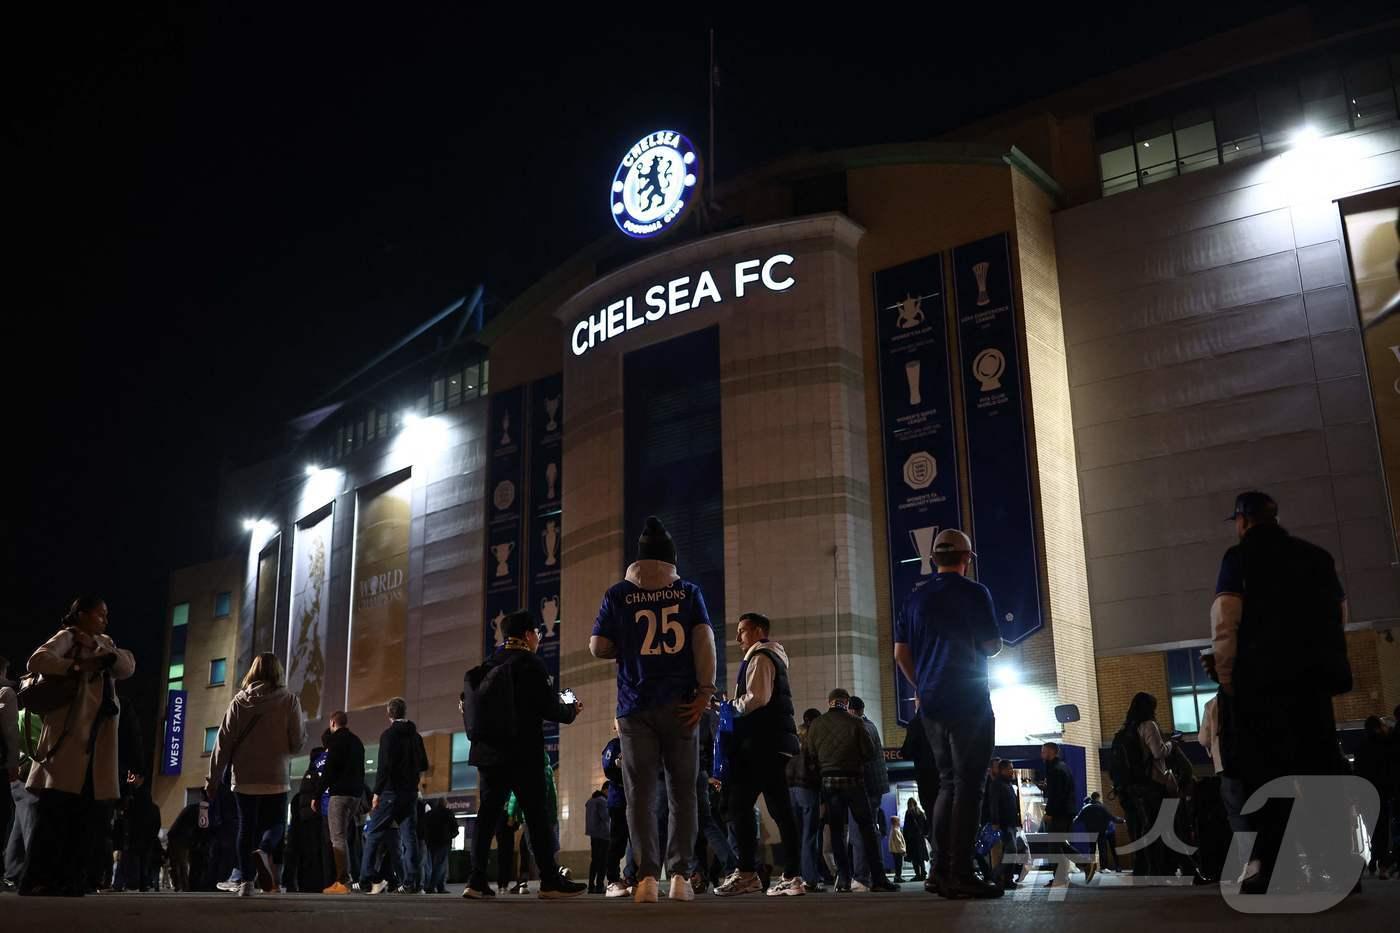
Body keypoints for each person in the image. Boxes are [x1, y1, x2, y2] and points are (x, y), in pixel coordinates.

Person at [1211, 491, 1352, 895]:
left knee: (1268, 781)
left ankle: (1275, 868)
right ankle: (1340, 866)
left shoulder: (1237, 560)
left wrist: (1227, 678)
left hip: (1262, 687)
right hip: (1312, 684)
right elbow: (1339, 614)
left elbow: (1226, 622)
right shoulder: (1317, 558)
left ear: (1242, 521)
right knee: (1321, 774)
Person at [590, 516, 717, 904]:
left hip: (635, 707)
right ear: (671, 558)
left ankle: (645, 879)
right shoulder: (688, 592)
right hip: (681, 705)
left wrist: (623, 647)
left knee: (639, 795)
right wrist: (705, 692)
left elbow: (597, 646)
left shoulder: (617, 594)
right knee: (683, 793)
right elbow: (704, 641)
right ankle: (680, 877)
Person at [893, 529, 1004, 899]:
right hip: (968, 699)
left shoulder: (914, 599)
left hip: (932, 704)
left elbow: (900, 654)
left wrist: (921, 686)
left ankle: (939, 870)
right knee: (970, 786)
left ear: (933, 559)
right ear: (966, 558)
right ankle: (961, 873)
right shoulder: (975, 593)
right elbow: (991, 646)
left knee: (946, 783)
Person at [20, 596, 136, 897]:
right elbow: (38, 660)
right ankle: (40, 879)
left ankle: (72, 879)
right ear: (81, 615)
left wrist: (101, 652)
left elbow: (125, 666)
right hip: (70, 735)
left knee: (85, 815)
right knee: (56, 813)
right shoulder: (67, 637)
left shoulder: (105, 643)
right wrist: (77, 666)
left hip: (96, 739)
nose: (104, 621)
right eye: (100, 615)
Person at [464, 610, 585, 899]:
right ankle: (549, 880)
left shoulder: (487, 665)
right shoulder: (531, 664)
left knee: (487, 815)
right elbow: (549, 708)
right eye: (538, 634)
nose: (539, 639)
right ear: (529, 635)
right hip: (522, 753)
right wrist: (571, 711)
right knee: (537, 816)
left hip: (488, 754)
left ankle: (476, 881)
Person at [712, 612, 805, 897]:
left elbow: (757, 698)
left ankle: (748, 873)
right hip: (774, 743)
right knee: (781, 810)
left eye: (742, 631)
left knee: (738, 806)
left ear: (758, 631)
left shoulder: (761, 657)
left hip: (760, 744)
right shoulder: (774, 657)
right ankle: (792, 875)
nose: (738, 637)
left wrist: (729, 707)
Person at [204, 651, 305, 897]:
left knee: (245, 827)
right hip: (276, 775)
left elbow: (222, 744)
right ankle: (265, 849)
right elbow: (297, 743)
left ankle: (246, 883)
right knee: (277, 823)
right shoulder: (289, 701)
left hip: (244, 776)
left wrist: (213, 780)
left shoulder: (239, 701)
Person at [804, 688, 896, 893]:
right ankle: (878, 878)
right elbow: (869, 752)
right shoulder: (857, 722)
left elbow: (809, 754)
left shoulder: (817, 725)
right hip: (854, 781)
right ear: (846, 702)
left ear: (829, 702)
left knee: (837, 831)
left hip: (829, 783)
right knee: (867, 829)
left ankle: (843, 879)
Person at [359, 697, 429, 894]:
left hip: (391, 792)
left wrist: (377, 792)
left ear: (389, 714)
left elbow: (384, 767)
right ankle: (412, 882)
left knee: (373, 833)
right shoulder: (416, 736)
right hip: (410, 793)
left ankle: (366, 878)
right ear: (405, 712)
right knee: (409, 837)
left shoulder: (388, 736)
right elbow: (424, 764)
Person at [312, 710, 364, 894]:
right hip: (355, 796)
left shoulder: (335, 741)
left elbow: (329, 771)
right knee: (345, 837)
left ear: (333, 723)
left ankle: (343, 880)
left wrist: (317, 795)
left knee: (337, 838)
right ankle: (347, 878)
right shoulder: (357, 741)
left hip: (339, 794)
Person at [846, 695, 889, 889]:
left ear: (852, 711)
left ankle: (861, 877)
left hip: (863, 786)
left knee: (857, 833)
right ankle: (874, 874)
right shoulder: (872, 726)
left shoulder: (858, 727)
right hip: (877, 787)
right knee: (871, 832)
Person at [1040, 742, 1093, 885]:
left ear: (1051, 753)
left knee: (1055, 846)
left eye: (1043, 752)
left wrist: (1049, 812)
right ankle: (1065, 875)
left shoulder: (1055, 770)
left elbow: (1057, 795)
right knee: (1060, 844)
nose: (1041, 755)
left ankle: (1081, 865)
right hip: (1067, 812)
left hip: (1059, 814)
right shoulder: (1062, 767)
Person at [789, 708, 825, 892]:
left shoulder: (793, 738)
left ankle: (796, 876)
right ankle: (810, 878)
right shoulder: (815, 738)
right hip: (808, 788)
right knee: (810, 836)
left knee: (797, 835)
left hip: (791, 789)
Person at [1353, 716, 1393, 880]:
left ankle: (1373, 861)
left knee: (1372, 829)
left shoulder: (1360, 746)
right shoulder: (1385, 744)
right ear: (1378, 727)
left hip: (1365, 794)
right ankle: (1382, 865)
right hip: (1382, 792)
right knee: (1383, 829)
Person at [420, 797, 458, 894]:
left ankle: (432, 886)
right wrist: (450, 836)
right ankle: (434, 887)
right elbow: (455, 829)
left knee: (430, 865)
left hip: (430, 843)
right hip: (443, 842)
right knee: (440, 866)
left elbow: (423, 828)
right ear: (445, 803)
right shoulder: (448, 813)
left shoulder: (429, 814)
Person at [1075, 792, 1117, 874]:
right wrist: (1122, 820)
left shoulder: (1086, 807)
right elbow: (1111, 817)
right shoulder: (1102, 807)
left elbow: (1078, 819)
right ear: (1098, 797)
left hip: (1090, 832)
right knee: (1103, 849)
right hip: (1101, 831)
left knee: (1091, 850)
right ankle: (1103, 867)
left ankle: (1091, 868)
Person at [585, 786, 610, 894]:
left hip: (593, 834)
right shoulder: (602, 801)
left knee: (595, 860)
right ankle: (599, 886)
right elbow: (606, 817)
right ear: (605, 789)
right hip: (603, 834)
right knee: (603, 861)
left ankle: (591, 886)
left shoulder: (590, 801)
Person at [903, 797, 929, 882]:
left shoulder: (909, 813)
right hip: (920, 839)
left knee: (914, 858)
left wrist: (905, 837)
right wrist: (924, 834)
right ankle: (923, 873)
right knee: (920, 857)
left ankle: (917, 874)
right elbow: (926, 825)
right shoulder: (921, 813)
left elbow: (906, 827)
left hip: (912, 839)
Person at [889, 816, 907, 882]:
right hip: (898, 851)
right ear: (896, 822)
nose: (900, 822)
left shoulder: (893, 830)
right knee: (899, 865)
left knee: (897, 865)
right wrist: (903, 850)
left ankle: (897, 877)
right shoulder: (896, 831)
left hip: (895, 851)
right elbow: (898, 842)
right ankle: (898, 877)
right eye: (899, 821)